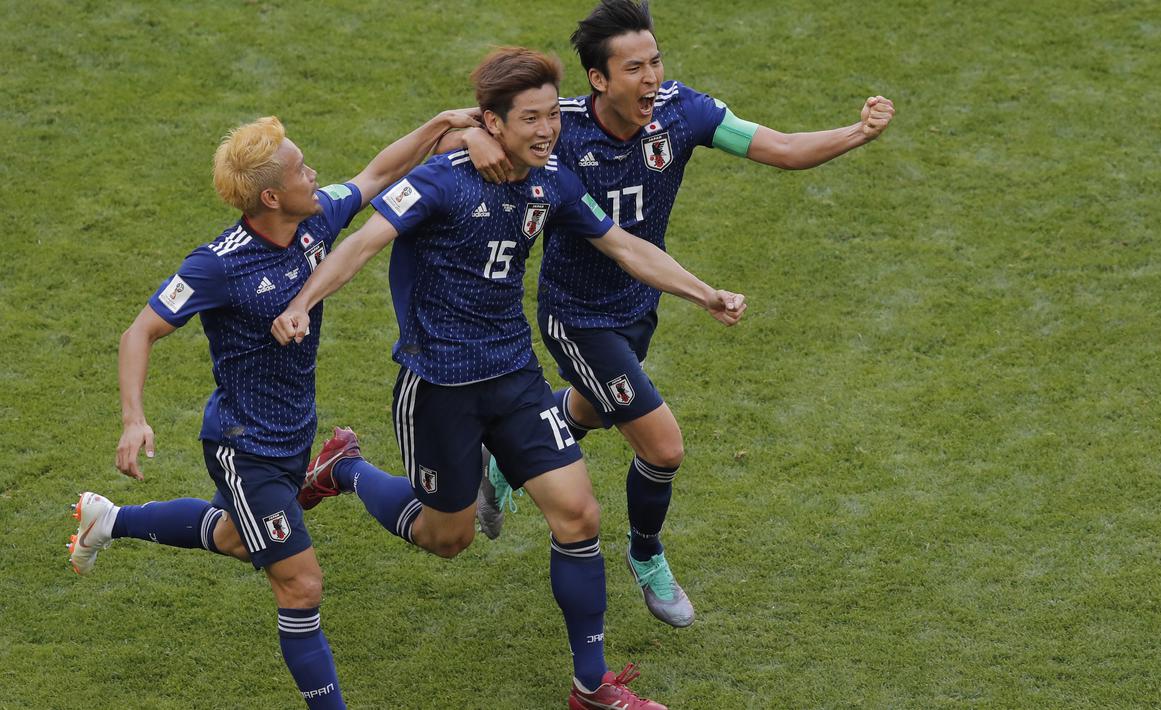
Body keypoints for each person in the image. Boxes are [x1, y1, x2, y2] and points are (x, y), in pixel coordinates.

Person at [272, 47, 745, 709]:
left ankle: (591, 686)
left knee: (578, 515)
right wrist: (300, 304)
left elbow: (621, 244)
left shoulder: (550, 178)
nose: (548, 130)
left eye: (552, 115)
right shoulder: (440, 181)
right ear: (493, 123)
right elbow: (359, 245)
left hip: (515, 378)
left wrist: (703, 293)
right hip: (439, 387)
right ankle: (345, 468)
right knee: (448, 538)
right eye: (531, 119)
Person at [457, 0, 896, 629]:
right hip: (576, 314)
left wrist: (856, 133)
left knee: (590, 406)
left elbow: (783, 148)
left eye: (656, 61)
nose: (652, 78)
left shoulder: (682, 112)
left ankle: (505, 459)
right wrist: (475, 134)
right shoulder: (562, 132)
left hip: (639, 306)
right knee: (662, 446)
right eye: (634, 67)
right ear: (599, 80)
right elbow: (474, 128)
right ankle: (647, 554)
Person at [68, 108, 479, 709]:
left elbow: (377, 174)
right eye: (300, 169)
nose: (314, 173)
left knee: (239, 537)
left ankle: (108, 520)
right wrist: (134, 418)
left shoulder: (314, 222)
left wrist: (438, 123)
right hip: (244, 447)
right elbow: (139, 333)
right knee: (300, 583)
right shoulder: (216, 265)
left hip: (292, 437)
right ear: (270, 195)